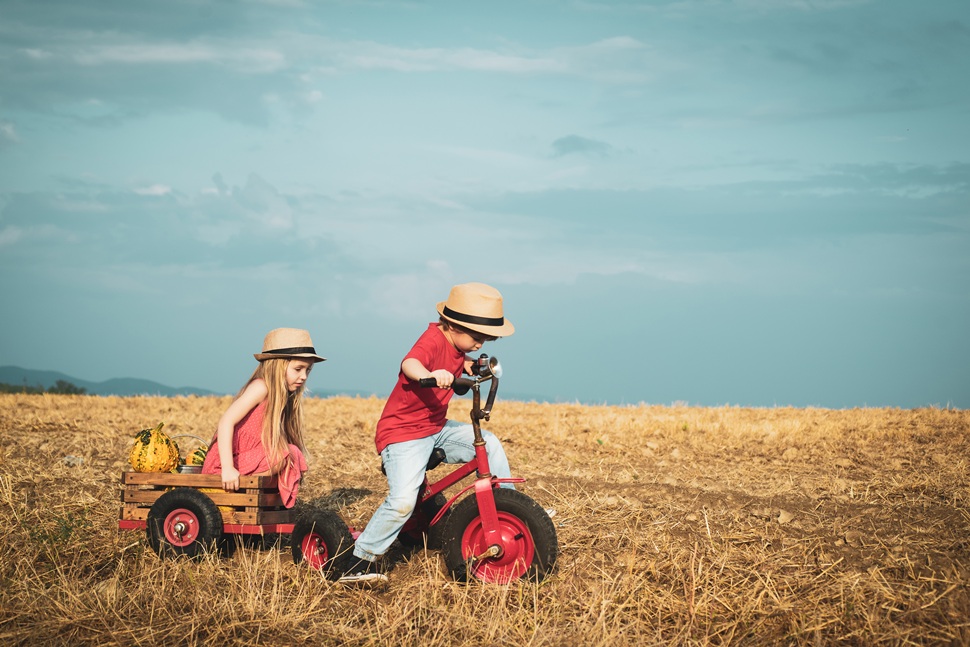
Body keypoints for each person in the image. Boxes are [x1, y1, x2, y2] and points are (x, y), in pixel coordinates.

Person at [340, 282, 516, 584]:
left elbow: (458, 361)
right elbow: (410, 363)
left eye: (487, 338)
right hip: (403, 434)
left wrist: (470, 367)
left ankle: (508, 510)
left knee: (489, 443)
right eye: (477, 336)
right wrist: (430, 375)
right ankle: (357, 560)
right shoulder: (433, 339)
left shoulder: (458, 347)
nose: (480, 342)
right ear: (453, 325)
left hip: (434, 429)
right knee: (403, 501)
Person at [201, 328, 325, 508]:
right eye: (298, 369)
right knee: (286, 453)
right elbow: (226, 421)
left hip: (250, 458)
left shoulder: (282, 396)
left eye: (308, 370)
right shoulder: (261, 387)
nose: (304, 376)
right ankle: (247, 493)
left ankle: (261, 498)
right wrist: (228, 468)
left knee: (293, 453)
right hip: (228, 463)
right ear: (278, 365)